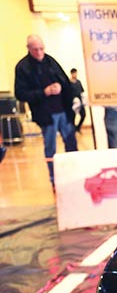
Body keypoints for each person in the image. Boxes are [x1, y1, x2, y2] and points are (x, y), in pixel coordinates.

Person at [14, 34, 77, 185]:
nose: (39, 52)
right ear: (28, 49)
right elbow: (20, 94)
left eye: (41, 48)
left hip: (63, 110)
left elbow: (65, 81)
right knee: (50, 148)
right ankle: (54, 179)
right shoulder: (23, 67)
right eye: (35, 49)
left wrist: (61, 87)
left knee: (71, 143)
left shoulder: (50, 61)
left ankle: (75, 176)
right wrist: (44, 92)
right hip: (46, 114)